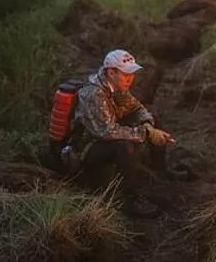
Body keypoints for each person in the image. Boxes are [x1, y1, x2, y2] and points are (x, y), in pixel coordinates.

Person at [67, 49, 176, 216]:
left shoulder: (116, 86)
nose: (130, 79)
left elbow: (136, 108)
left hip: (104, 135)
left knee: (152, 117)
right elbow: (108, 132)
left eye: (131, 74)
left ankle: (160, 171)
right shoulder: (93, 94)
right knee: (124, 147)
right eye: (126, 74)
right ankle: (129, 201)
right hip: (87, 147)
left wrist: (147, 124)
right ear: (111, 72)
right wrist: (145, 133)